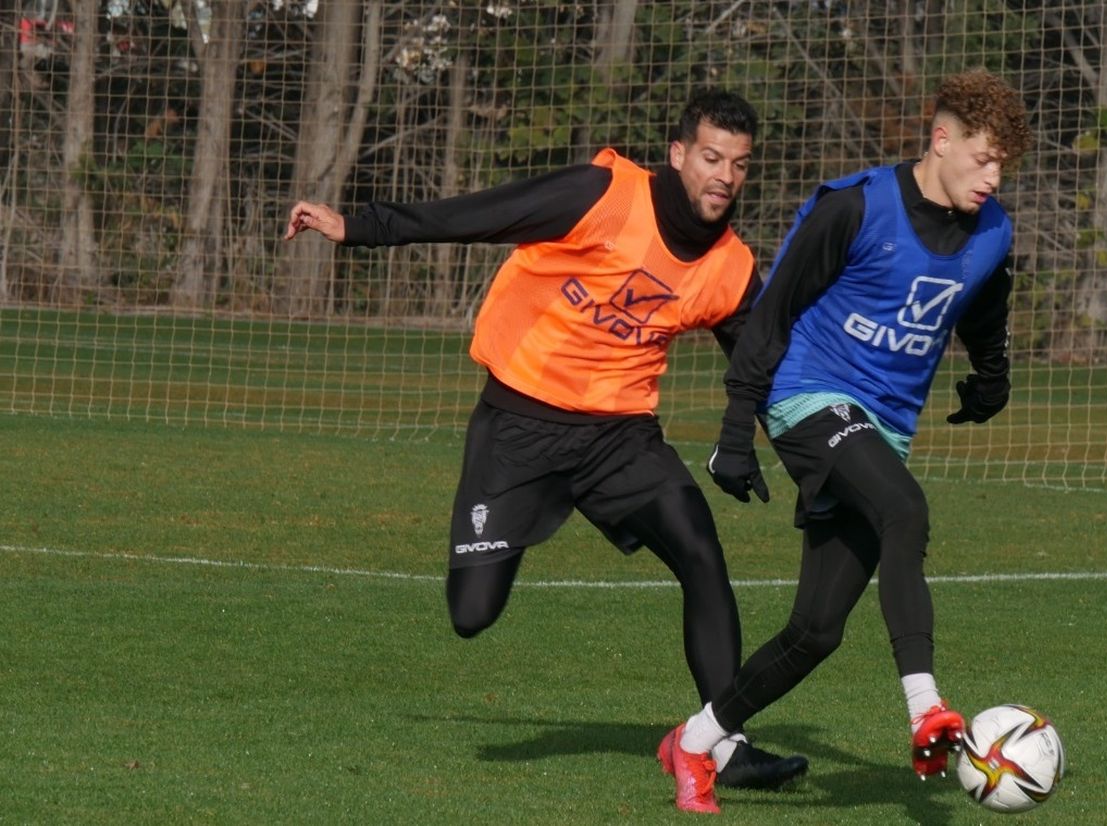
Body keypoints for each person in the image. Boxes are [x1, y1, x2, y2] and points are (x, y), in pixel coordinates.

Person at [282, 89, 808, 792]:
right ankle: (508, 530)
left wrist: (822, 454)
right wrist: (362, 227)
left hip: (619, 437)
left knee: (700, 550)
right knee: (472, 615)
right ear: (679, 153)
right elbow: (483, 214)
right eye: (712, 157)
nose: (724, 177)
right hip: (520, 426)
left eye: (739, 165)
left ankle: (722, 744)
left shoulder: (732, 269)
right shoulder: (604, 194)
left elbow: (764, 369)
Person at [657, 69, 1033, 814]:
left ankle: (694, 744)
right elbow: (769, 318)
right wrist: (737, 431)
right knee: (906, 512)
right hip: (809, 394)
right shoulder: (855, 207)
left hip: (884, 427)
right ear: (942, 138)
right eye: (983, 159)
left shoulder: (993, 232)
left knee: (816, 631)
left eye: (1003, 166)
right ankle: (927, 708)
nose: (993, 177)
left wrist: (991, 378)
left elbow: (983, 307)